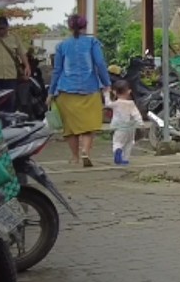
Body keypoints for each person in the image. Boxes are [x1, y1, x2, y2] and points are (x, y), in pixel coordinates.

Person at [49, 14, 111, 167]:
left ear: (70, 27)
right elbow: (100, 63)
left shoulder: (62, 46)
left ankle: (75, 157)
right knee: (88, 125)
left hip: (66, 91)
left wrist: (50, 92)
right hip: (90, 89)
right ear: (85, 26)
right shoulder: (92, 42)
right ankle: (85, 152)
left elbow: (57, 70)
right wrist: (106, 83)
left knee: (70, 128)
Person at [107, 80, 143, 166]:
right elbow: (136, 114)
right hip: (130, 127)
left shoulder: (115, 104)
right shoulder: (131, 103)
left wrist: (106, 93)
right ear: (129, 91)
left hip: (119, 128)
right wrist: (140, 122)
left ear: (115, 92)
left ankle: (118, 150)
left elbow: (107, 103)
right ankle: (125, 159)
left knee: (118, 142)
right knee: (129, 143)